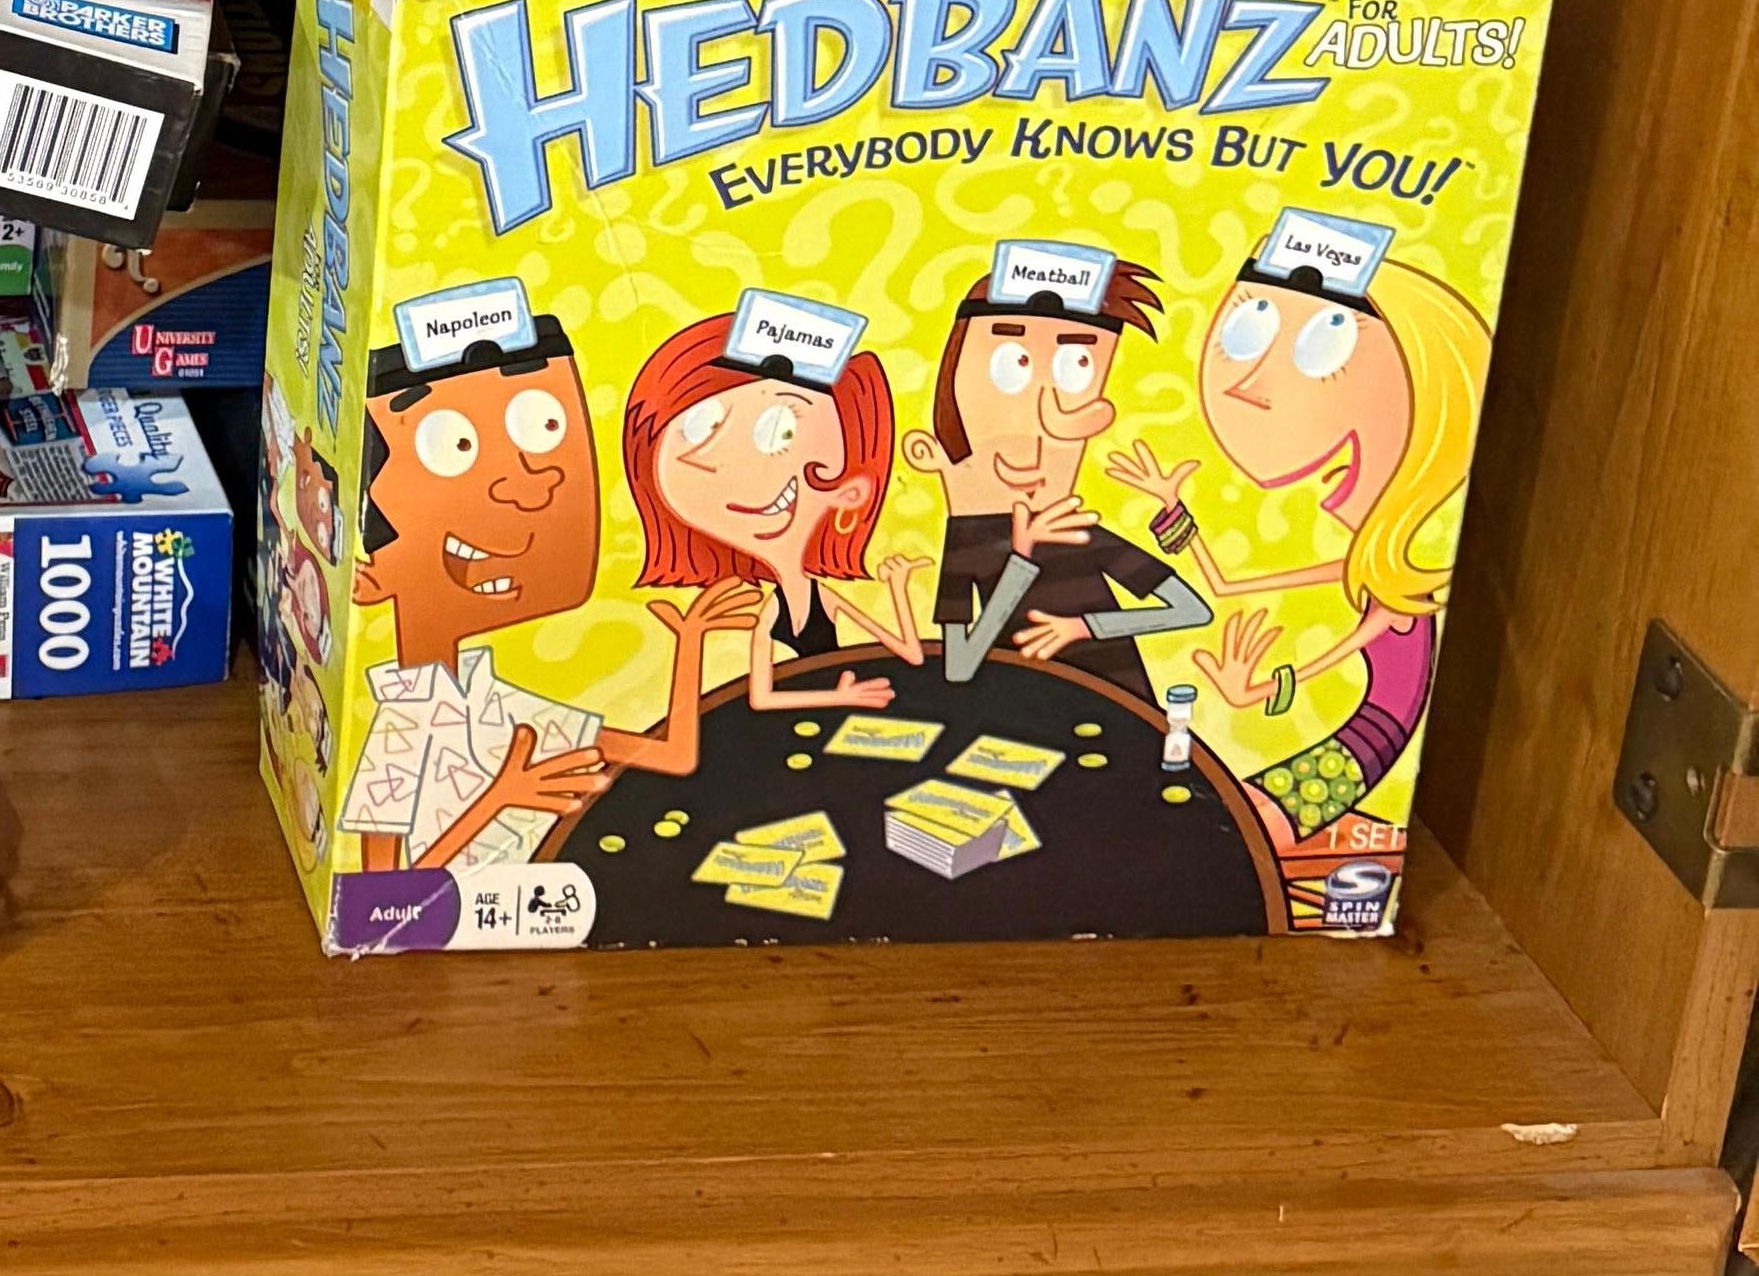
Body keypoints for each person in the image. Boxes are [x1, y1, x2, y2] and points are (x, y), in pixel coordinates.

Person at [1193, 212, 1487, 831]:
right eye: (1248, 329)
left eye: (1325, 345)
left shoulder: (1400, 576)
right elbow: (1224, 587)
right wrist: (1173, 510)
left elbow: (1336, 656)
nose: (1248, 382)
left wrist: (1259, 691)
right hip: (1345, 744)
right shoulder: (1371, 555)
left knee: (1229, 835)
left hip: (1357, 751)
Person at [338, 278, 616, 881]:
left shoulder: (489, 695)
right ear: (365, 574)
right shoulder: (400, 727)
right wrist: (501, 796)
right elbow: (378, 899)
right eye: (454, 446)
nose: (525, 484)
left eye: (545, 427)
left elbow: (667, 754)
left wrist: (696, 639)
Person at [595, 292, 917, 764]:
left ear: (849, 491)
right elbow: (762, 697)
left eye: (782, 430)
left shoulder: (823, 595)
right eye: (698, 427)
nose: (715, 463)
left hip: (841, 741)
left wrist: (900, 589)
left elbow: (907, 650)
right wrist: (839, 697)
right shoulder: (770, 609)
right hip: (788, 748)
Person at [926, 238, 1213, 704]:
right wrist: (1018, 562)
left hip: (1126, 715)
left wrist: (1083, 628)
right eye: (1011, 365)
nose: (1045, 413)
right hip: (1030, 725)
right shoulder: (969, 538)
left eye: (1077, 368)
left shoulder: (1073, 531)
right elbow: (960, 665)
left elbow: (1191, 610)